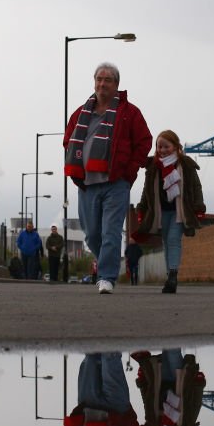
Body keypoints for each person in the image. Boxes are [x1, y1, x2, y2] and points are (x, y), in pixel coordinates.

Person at [64, 62, 152, 295]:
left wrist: (130, 171)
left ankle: (106, 277)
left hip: (116, 183)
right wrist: (74, 167)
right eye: (99, 79)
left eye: (108, 80)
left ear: (116, 85)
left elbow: (144, 141)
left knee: (110, 231)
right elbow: (68, 141)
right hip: (87, 183)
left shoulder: (129, 113)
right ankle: (106, 265)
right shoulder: (80, 113)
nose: (102, 84)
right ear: (94, 83)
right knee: (92, 234)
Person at [135, 130, 206, 293]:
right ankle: (169, 276)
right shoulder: (153, 166)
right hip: (161, 211)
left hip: (179, 210)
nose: (162, 150)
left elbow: (196, 186)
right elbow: (147, 191)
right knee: (166, 242)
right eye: (159, 146)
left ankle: (173, 275)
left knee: (174, 239)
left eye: (166, 146)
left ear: (175, 146)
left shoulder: (185, 164)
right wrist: (142, 210)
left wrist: (199, 207)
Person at [133, 349, 205, 426]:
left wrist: (142, 381)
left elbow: (147, 401)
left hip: (159, 377)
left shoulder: (153, 425)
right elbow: (195, 404)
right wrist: (199, 384)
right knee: (172, 350)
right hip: (180, 377)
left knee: (167, 347)